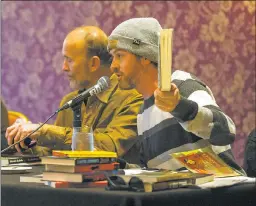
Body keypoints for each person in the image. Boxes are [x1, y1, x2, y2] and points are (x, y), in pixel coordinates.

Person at [107, 17, 245, 174]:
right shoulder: (143, 112)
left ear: (145, 57)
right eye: (112, 58)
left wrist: (179, 106)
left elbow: (226, 131)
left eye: (120, 56)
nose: (113, 66)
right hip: (184, 196)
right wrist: (116, 166)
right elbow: (157, 172)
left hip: (224, 193)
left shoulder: (182, 84)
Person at [5, 26, 143, 164]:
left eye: (69, 60)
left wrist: (44, 131)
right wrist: (27, 140)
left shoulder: (132, 99)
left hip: (113, 183)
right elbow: (51, 153)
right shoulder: (70, 101)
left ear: (93, 63)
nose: (63, 67)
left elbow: (110, 147)